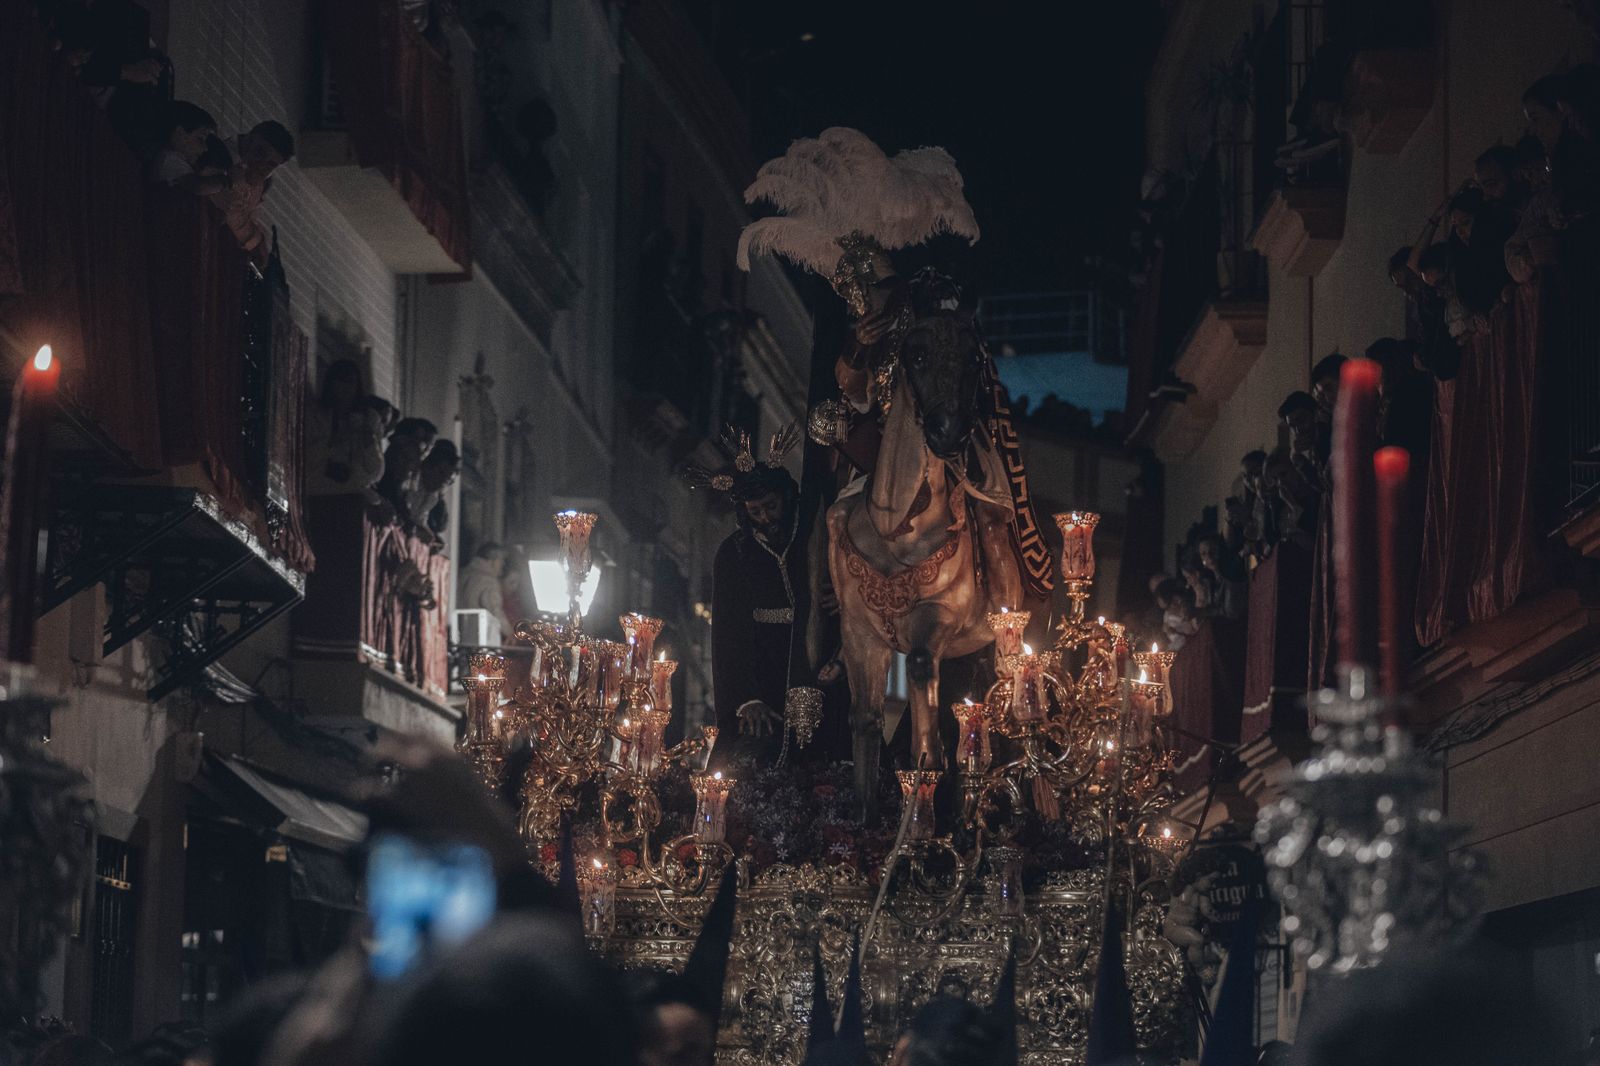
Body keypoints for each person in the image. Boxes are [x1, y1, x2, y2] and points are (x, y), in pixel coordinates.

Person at [704, 435, 839, 764]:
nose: (765, 517)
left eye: (771, 506)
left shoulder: (816, 537)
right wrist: (746, 698)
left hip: (820, 660)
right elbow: (727, 634)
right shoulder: (734, 553)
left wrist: (845, 598)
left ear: (786, 498)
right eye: (755, 511)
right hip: (762, 671)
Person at [209, 120, 295, 264]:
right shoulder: (215, 155)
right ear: (248, 138)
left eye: (271, 164)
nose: (261, 165)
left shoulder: (263, 182)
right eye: (259, 153)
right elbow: (228, 210)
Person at [146, 100, 219, 189]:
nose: (205, 148)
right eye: (200, 139)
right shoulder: (169, 159)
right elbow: (199, 187)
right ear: (180, 133)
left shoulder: (173, 158)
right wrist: (226, 181)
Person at [403, 439, 461, 543]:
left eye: (448, 481)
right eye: (441, 473)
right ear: (427, 465)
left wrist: (431, 537)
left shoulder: (433, 497)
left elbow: (419, 521)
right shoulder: (409, 479)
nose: (442, 481)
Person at [459, 541, 512, 640]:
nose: (503, 564)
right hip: (477, 637)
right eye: (501, 560)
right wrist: (510, 633)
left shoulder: (460, 574)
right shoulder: (489, 581)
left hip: (456, 633)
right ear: (491, 560)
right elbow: (495, 611)